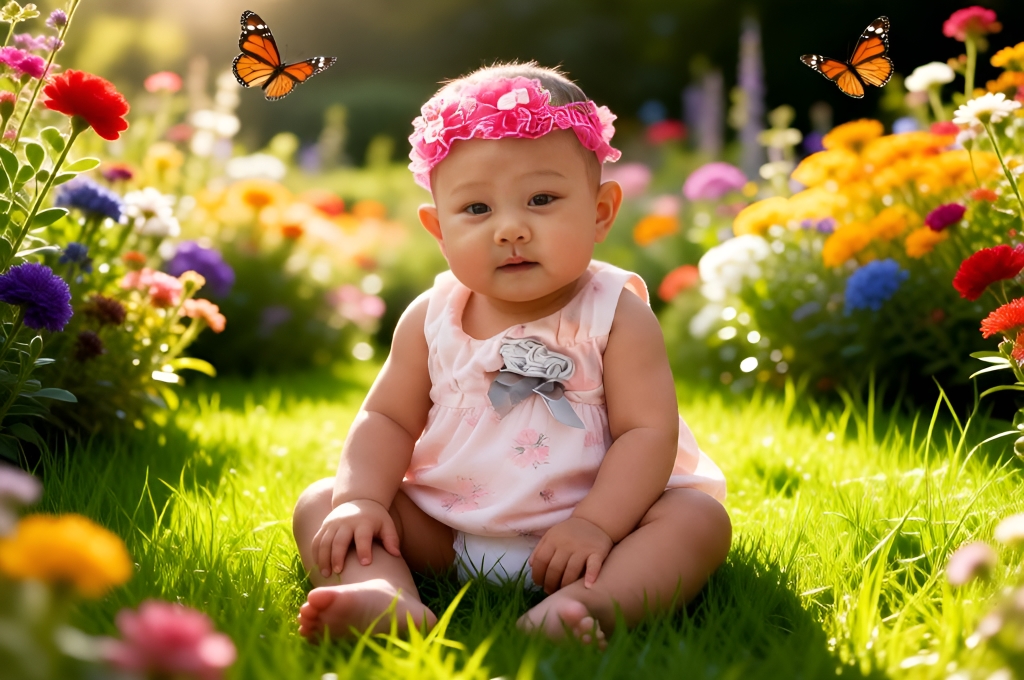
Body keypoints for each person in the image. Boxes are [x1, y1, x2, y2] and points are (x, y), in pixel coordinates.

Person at [292, 62, 730, 646]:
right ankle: (389, 599)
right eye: (477, 210)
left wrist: (595, 525)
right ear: (438, 229)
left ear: (600, 212)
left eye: (541, 198)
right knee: (324, 502)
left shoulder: (616, 314)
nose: (510, 229)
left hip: (598, 535)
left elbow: (647, 433)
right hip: (447, 529)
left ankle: (586, 606)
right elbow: (386, 417)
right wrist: (362, 500)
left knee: (696, 521)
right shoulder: (432, 315)